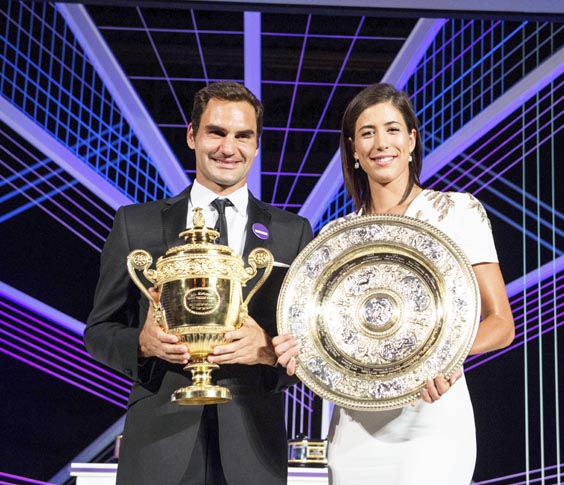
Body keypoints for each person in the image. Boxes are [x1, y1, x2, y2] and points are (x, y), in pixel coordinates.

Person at [273, 83, 515, 484]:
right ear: (353, 148)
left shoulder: (457, 211)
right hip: (353, 431)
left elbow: (501, 324)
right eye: (367, 133)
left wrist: (444, 359)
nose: (381, 143)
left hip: (431, 423)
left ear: (412, 140)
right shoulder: (337, 236)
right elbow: (320, 336)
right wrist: (296, 346)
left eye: (392, 129)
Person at [85, 81, 314, 484]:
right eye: (216, 132)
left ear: (257, 145)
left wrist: (267, 352)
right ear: (192, 135)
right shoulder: (136, 224)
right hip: (160, 443)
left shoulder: (292, 232)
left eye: (243, 136)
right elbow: (99, 331)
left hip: (253, 448)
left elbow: (311, 346)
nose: (229, 148)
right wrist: (142, 343)